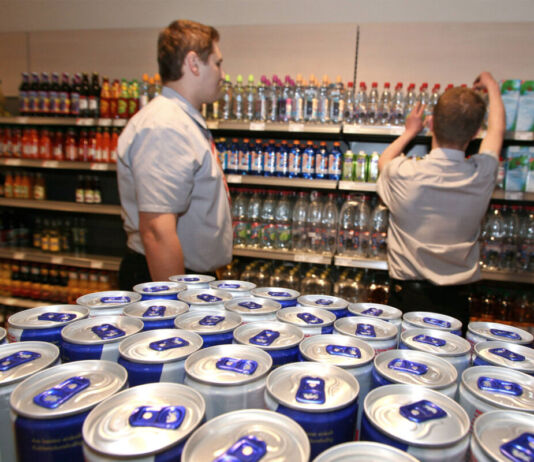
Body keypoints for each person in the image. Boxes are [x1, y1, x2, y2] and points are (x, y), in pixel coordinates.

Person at [376, 71, 505, 330]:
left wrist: (410, 131)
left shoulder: (403, 172)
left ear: (432, 123)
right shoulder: (482, 174)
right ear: (476, 132)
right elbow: (497, 132)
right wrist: (492, 85)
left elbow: (383, 161)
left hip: (406, 300)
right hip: (455, 304)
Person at [116, 20, 232, 290]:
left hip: (186, 277)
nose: (222, 73)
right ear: (193, 63)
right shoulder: (165, 125)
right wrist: (175, 306)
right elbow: (157, 230)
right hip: (167, 278)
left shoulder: (180, 120)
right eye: (217, 63)